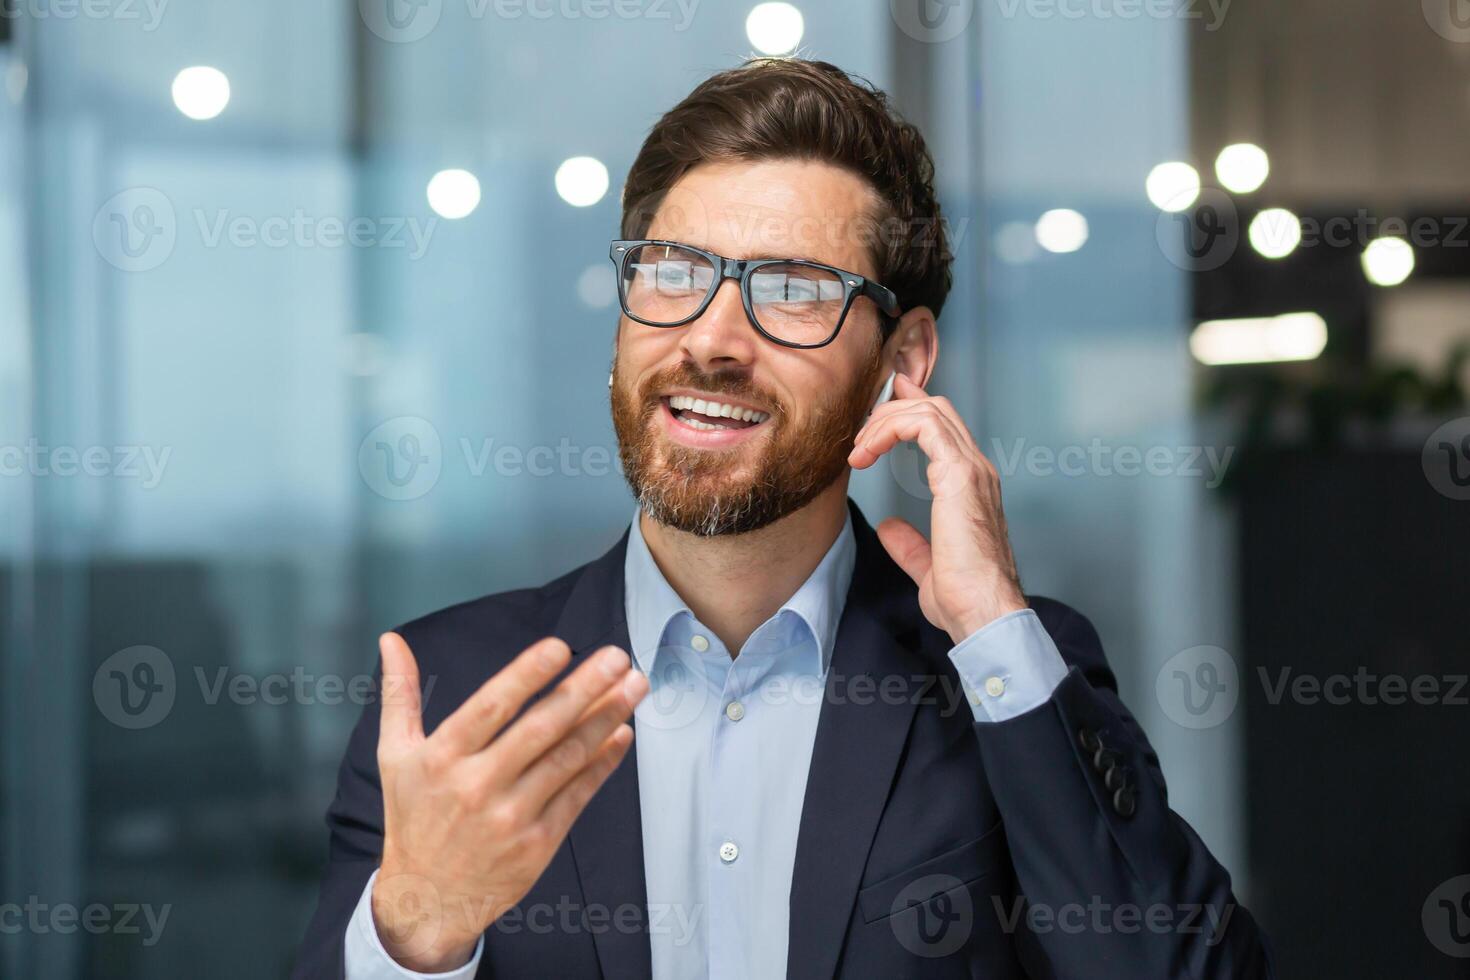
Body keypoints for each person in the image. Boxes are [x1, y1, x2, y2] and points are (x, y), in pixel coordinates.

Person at [294, 58, 1271, 979]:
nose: (711, 341)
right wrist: (416, 931)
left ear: (903, 360)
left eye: (796, 291)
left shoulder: (1008, 675)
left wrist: (995, 632)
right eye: (673, 270)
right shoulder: (450, 692)